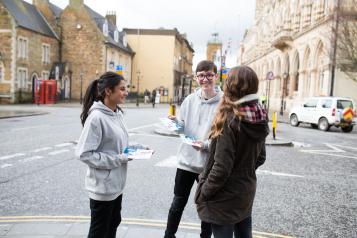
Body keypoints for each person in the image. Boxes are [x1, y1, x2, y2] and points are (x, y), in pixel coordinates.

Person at [194, 66, 269, 238]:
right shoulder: (260, 116)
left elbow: (221, 167)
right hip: (246, 191)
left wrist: (204, 191)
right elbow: (261, 157)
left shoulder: (229, 118)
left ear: (232, 87)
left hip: (223, 198)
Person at [164, 60, 223, 238]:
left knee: (207, 205)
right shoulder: (189, 100)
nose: (205, 79)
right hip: (186, 162)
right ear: (196, 77)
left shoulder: (224, 104)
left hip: (208, 165)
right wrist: (175, 124)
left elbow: (225, 138)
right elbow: (182, 128)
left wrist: (205, 145)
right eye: (201, 75)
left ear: (216, 76)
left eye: (209, 75)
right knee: (178, 202)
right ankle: (169, 235)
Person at [76, 72, 134, 238]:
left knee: (113, 224)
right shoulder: (96, 118)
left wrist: (135, 149)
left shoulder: (117, 113)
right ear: (108, 91)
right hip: (102, 188)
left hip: (116, 185)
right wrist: (120, 158)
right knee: (99, 232)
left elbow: (115, 145)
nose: (126, 92)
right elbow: (84, 154)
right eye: (122, 89)